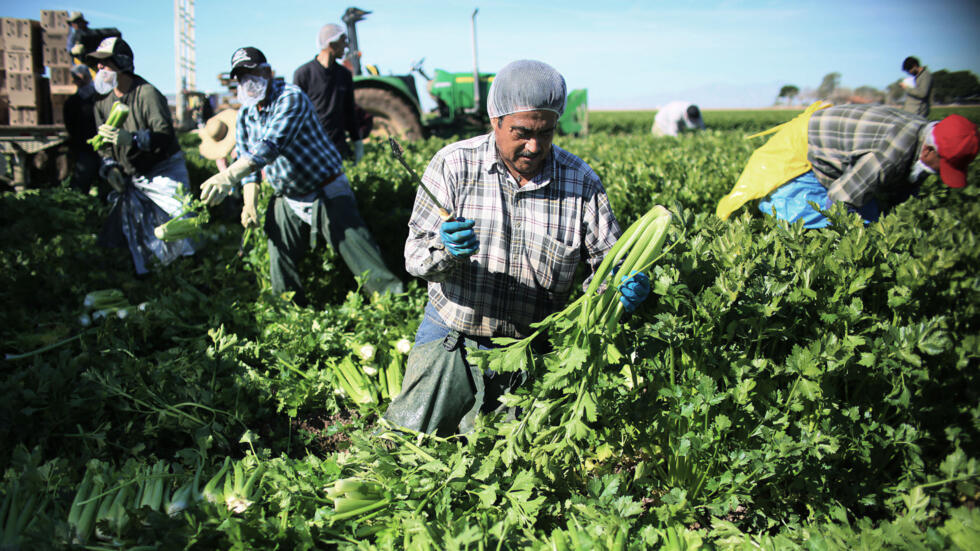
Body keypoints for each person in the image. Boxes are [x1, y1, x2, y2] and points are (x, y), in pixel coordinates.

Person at [382, 60, 652, 436]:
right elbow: (414, 256)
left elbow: (607, 268)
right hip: (452, 341)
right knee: (408, 443)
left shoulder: (581, 182)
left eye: (546, 132)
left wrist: (622, 289)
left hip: (533, 352)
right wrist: (443, 249)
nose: (534, 145)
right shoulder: (453, 165)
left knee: (518, 461)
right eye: (522, 132)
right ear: (495, 121)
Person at [199, 47, 403, 306]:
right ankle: (289, 311)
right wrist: (249, 203)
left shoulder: (290, 98)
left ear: (268, 72)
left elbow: (269, 147)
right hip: (288, 194)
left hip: (325, 186)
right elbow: (249, 167)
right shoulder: (245, 117)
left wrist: (227, 176)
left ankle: (393, 302)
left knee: (360, 252)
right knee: (278, 254)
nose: (248, 82)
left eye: (253, 73)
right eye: (241, 77)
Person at [716, 103, 979, 228]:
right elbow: (842, 197)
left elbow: (903, 185)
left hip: (837, 150)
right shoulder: (895, 152)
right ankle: (778, 220)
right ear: (929, 149)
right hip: (807, 147)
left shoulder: (923, 134)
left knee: (870, 216)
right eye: (940, 166)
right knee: (814, 218)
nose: (936, 173)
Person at [88, 37, 196, 274]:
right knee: (142, 231)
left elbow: (164, 134)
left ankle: (190, 273)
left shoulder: (146, 94)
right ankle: (152, 278)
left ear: (122, 64)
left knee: (178, 224)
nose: (100, 69)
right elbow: (102, 144)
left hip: (163, 170)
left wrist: (133, 139)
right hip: (132, 174)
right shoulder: (102, 103)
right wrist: (110, 167)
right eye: (98, 64)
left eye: (106, 63)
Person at [293, 24, 363, 162]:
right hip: (312, 150)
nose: (347, 46)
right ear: (332, 42)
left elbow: (350, 112)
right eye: (344, 41)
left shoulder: (344, 74)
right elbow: (295, 115)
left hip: (338, 149)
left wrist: (357, 143)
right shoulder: (304, 74)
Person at [63, 64, 100, 196]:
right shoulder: (72, 102)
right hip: (85, 150)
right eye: (77, 78)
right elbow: (70, 127)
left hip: (102, 149)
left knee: (105, 187)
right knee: (81, 185)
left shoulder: (100, 99)